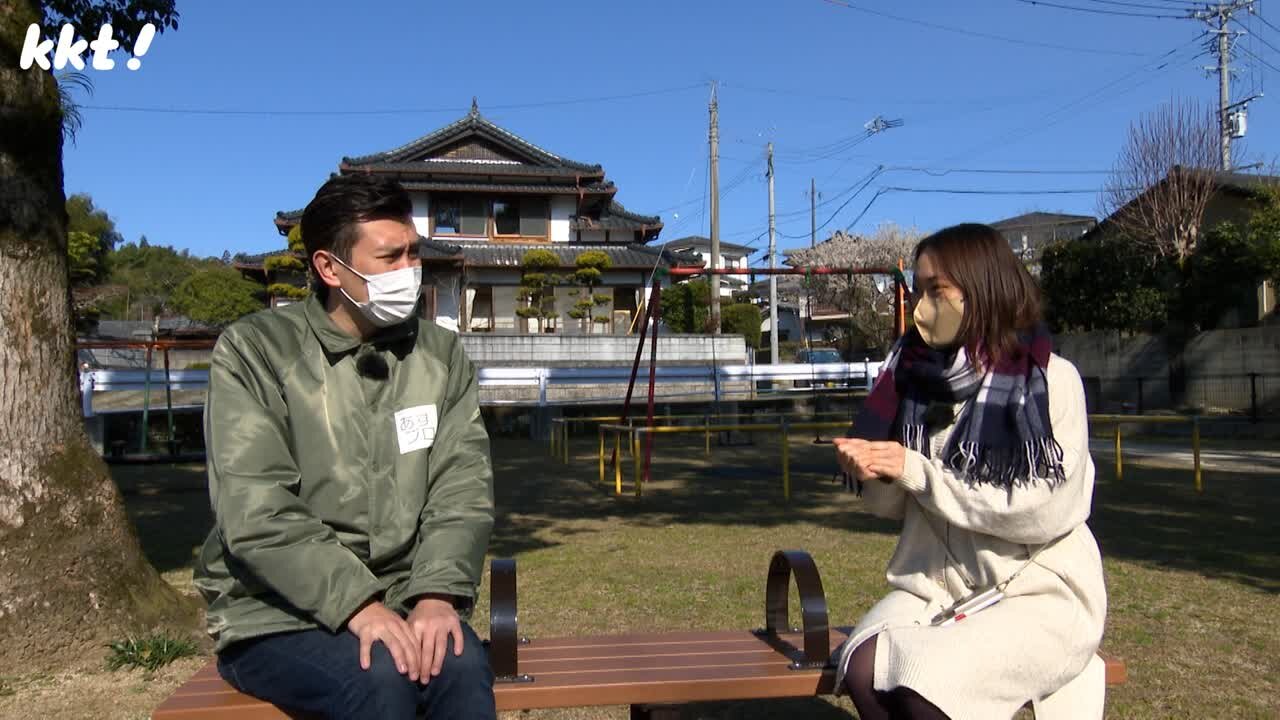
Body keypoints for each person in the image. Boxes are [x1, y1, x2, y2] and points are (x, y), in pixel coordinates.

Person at [193, 174, 497, 720]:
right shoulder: (256, 351)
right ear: (330, 268)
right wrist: (358, 604)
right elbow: (255, 507)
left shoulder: (441, 356)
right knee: (381, 680)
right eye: (389, 257)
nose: (409, 271)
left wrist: (436, 595)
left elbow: (462, 487)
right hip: (273, 612)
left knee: (462, 666)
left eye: (414, 253)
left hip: (407, 596)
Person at [833, 223, 1108, 720]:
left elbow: (1043, 512)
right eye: (918, 289)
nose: (921, 306)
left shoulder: (1050, 383)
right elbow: (892, 506)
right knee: (861, 668)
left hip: (1039, 590)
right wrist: (873, 469)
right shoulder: (910, 381)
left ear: (984, 289)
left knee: (925, 684)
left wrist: (917, 471)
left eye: (937, 290)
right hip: (940, 585)